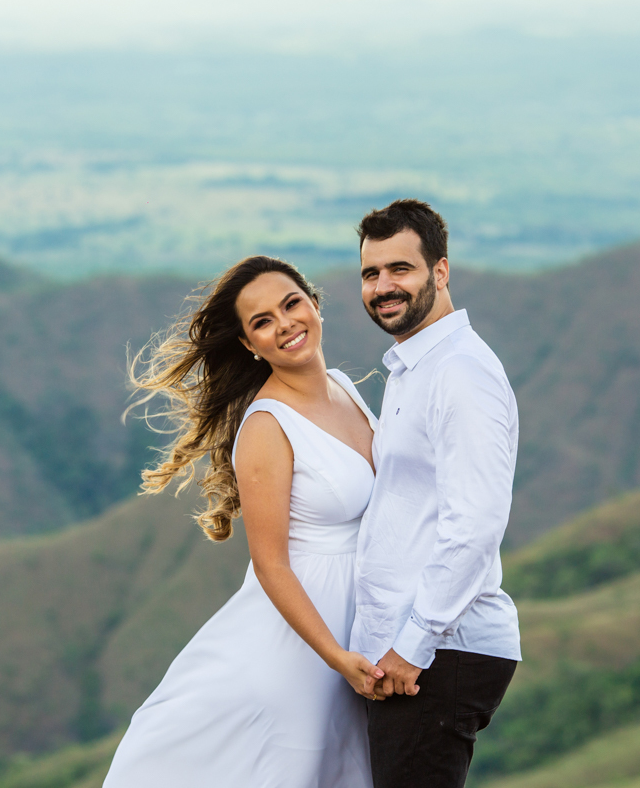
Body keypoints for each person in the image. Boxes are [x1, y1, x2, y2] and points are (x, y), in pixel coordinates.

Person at [103, 256, 378, 788]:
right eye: (262, 322)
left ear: (315, 303)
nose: (285, 324)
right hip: (300, 643)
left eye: (291, 304)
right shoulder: (267, 426)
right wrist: (335, 657)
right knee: (291, 767)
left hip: (359, 614)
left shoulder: (344, 386)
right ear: (250, 344)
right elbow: (270, 564)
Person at [352, 199, 522, 788]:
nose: (383, 287)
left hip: (439, 653)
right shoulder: (414, 369)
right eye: (371, 273)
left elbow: (475, 523)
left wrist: (414, 644)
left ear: (441, 271)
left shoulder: (460, 372)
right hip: (411, 652)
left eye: (400, 269)